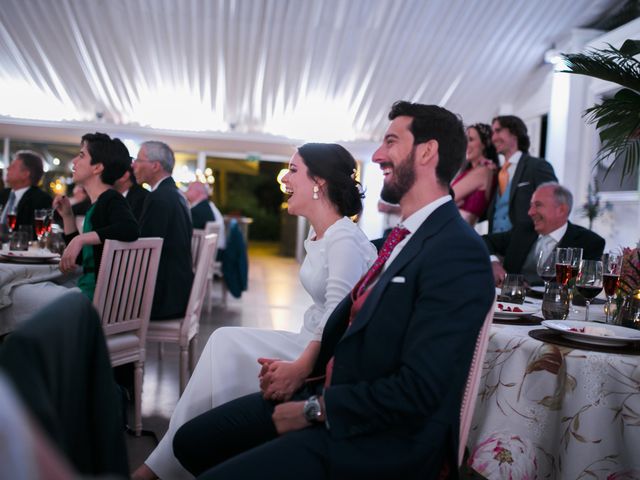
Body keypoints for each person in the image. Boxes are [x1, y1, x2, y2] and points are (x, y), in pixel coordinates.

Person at [170, 102, 495, 480]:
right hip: (329, 395)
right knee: (191, 441)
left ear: (427, 152)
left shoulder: (458, 251)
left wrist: (316, 409)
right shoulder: (399, 238)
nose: (376, 155)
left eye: (390, 141)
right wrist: (305, 370)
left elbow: (421, 391)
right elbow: (347, 318)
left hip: (377, 440)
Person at [133, 143, 377, 480]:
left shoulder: (344, 240)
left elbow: (337, 317)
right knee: (222, 344)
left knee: (224, 344)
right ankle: (176, 459)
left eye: (293, 170)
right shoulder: (320, 233)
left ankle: (165, 464)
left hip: (319, 352)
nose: (285, 179)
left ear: (318, 182)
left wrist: (302, 367)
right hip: (308, 337)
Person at [53, 133, 139, 300]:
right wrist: (68, 217)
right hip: (89, 288)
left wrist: (81, 239)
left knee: (18, 294)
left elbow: (130, 229)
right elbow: (78, 260)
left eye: (81, 156)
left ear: (97, 167)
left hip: (96, 295)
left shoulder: (111, 199)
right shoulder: (99, 203)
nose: (74, 162)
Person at [484, 182, 605, 286]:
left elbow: (585, 286)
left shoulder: (590, 242)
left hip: (556, 311)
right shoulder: (522, 231)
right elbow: (483, 241)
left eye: (538, 205)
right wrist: (493, 263)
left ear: (561, 210)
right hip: (511, 307)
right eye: (531, 206)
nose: (530, 212)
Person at [133, 141, 193, 320]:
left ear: (155, 166)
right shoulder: (175, 195)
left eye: (138, 160)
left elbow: (145, 250)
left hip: (163, 299)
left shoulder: (158, 198)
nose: (134, 165)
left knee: (105, 301)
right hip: (178, 293)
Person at [486, 115, 557, 233]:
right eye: (492, 133)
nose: (493, 138)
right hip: (495, 246)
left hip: (526, 246)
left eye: (498, 131)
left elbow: (552, 205)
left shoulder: (537, 166)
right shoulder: (498, 172)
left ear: (514, 133)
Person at [451, 123, 498, 225]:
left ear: (484, 144)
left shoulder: (484, 170)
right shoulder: (472, 170)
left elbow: (447, 198)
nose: (466, 144)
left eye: (471, 139)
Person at [0, 150, 52, 239]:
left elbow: (34, 235)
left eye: (13, 166)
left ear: (25, 174)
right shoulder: (3, 194)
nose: (7, 168)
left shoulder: (41, 199)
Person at [185, 181, 226, 256]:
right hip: (214, 252)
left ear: (198, 192)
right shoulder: (207, 207)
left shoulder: (198, 211)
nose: (186, 191)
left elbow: (185, 233)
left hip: (203, 255)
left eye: (189, 189)